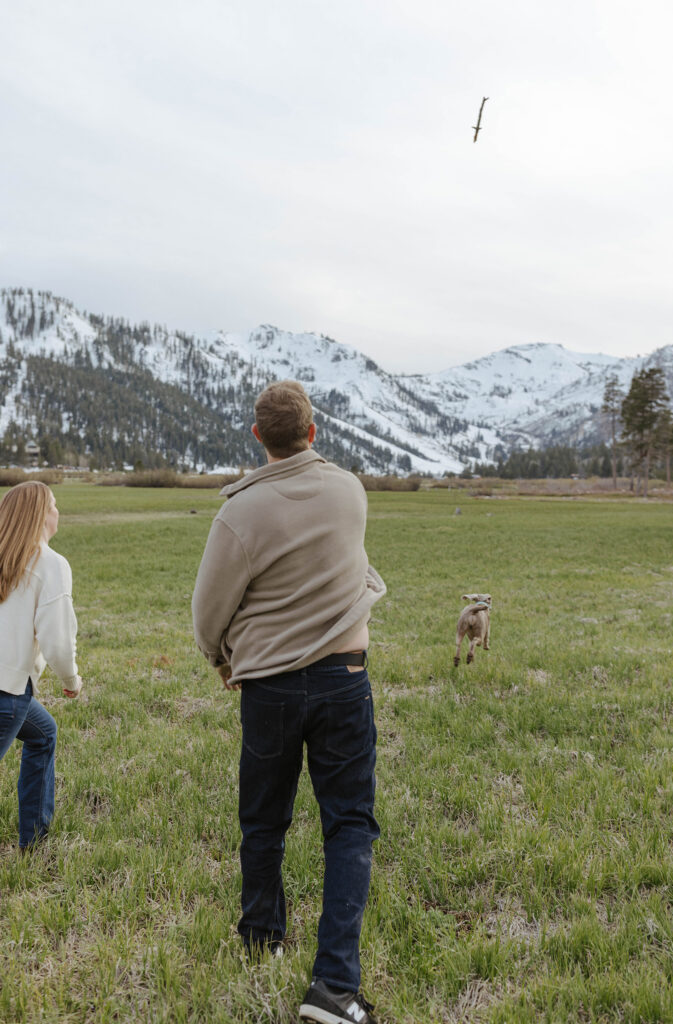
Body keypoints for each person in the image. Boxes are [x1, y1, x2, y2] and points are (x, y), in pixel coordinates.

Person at [192, 380, 386, 1024]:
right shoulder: (349, 491)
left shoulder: (239, 513)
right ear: (313, 431)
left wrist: (226, 661)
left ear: (257, 437)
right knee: (348, 825)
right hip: (344, 677)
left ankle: (260, 937)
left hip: (269, 686)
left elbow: (207, 612)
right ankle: (334, 988)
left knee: (264, 819)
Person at [0, 481, 82, 850]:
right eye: (53, 505)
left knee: (43, 733)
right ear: (38, 516)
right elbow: (59, 642)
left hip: (11, 688)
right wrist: (72, 680)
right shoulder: (50, 563)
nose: (58, 512)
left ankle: (33, 842)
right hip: (7, 693)